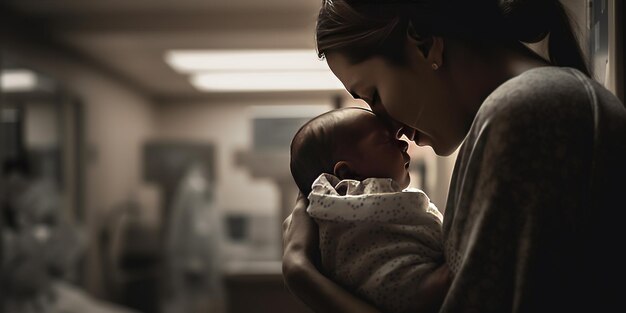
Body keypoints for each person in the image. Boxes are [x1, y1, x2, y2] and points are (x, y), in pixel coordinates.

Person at [282, 0, 626, 312]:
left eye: (374, 95)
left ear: (425, 44)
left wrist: (303, 274)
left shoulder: (528, 113)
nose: (387, 125)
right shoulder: (526, 110)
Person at [290, 107, 447, 313]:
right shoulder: (351, 197)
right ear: (348, 173)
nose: (403, 143)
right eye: (386, 140)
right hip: (404, 286)